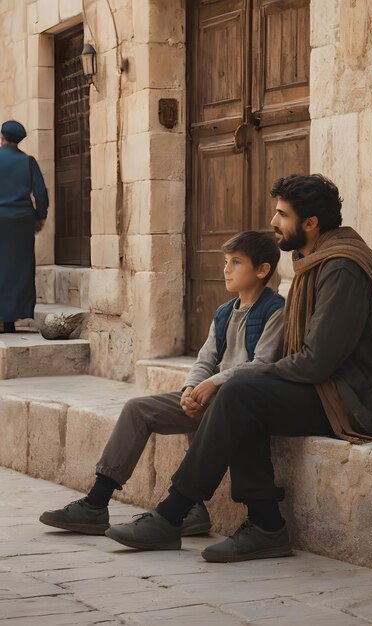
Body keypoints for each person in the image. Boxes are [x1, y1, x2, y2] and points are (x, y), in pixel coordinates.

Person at [68, 173, 372, 563]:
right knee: (244, 395)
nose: (273, 221)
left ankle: (174, 513)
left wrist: (234, 380)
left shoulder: (341, 268)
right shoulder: (317, 261)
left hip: (358, 402)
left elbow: (316, 361)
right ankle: (264, 524)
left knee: (241, 392)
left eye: (282, 214)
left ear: (311, 223)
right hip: (332, 390)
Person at [40, 230, 285, 541]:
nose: (226, 269)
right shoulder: (225, 312)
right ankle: (95, 503)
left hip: (236, 401)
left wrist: (213, 383)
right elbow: (205, 359)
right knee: (137, 409)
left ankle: (192, 506)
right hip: (207, 394)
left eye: (236, 262)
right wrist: (189, 390)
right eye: (225, 262)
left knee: (209, 411)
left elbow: (263, 364)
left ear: (262, 270)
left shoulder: (274, 309)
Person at [0, 120, 49, 334]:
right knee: (19, 268)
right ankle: (10, 319)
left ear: (2, 137)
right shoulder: (29, 162)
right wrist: (40, 217)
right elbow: (41, 194)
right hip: (21, 222)